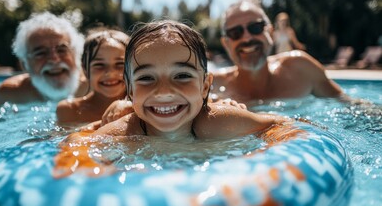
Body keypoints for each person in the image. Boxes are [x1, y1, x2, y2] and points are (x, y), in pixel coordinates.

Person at [53, 20, 289, 177]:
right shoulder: (124, 132)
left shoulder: (220, 121)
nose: (164, 91)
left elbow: (283, 126)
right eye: (146, 78)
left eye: (182, 75)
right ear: (130, 91)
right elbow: (74, 150)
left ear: (205, 86)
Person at [212, 0, 343, 105]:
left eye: (255, 28)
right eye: (235, 32)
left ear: (270, 31)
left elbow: (350, 106)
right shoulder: (213, 86)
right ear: (226, 43)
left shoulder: (301, 69)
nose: (247, 38)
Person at [0, 11, 87, 106]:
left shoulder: (95, 87)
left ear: (76, 55)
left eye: (61, 50)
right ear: (24, 65)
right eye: (41, 53)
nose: (54, 59)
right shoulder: (10, 95)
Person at [56, 29, 128, 125]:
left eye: (120, 64)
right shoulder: (69, 111)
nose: (110, 73)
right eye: (99, 65)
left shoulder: (143, 108)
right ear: (85, 70)